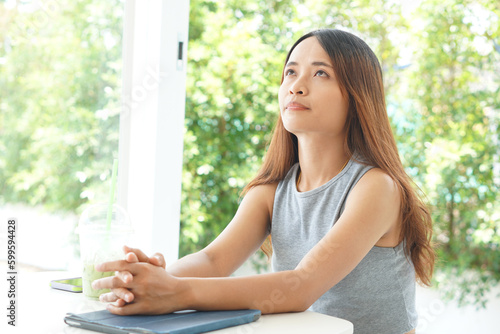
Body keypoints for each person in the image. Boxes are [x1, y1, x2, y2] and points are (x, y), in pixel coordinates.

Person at [92, 28, 435, 334]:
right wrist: (146, 280)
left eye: (320, 73)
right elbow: (213, 261)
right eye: (290, 72)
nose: (297, 86)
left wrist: (175, 291)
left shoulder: (377, 188)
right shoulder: (271, 190)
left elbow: (301, 286)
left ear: (358, 97)